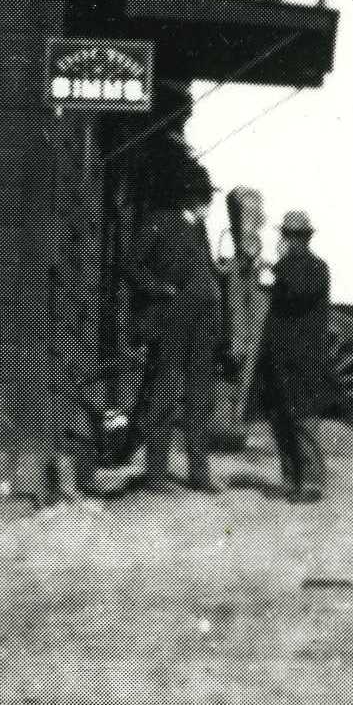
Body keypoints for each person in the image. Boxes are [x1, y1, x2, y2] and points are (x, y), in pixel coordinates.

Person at [128, 163, 222, 494]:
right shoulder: (157, 223)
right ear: (192, 199)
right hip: (169, 320)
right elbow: (132, 266)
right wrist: (160, 290)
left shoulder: (199, 231)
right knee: (163, 392)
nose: (208, 206)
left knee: (200, 396)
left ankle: (199, 473)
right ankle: (156, 473)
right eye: (205, 199)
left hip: (202, 326)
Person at [256, 208, 332, 503]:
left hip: (303, 357)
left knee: (302, 417)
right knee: (281, 418)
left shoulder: (314, 268)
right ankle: (292, 479)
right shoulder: (287, 267)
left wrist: (273, 270)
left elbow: (296, 294)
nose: (289, 241)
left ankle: (311, 482)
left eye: (292, 236)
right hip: (280, 356)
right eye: (288, 236)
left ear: (304, 239)